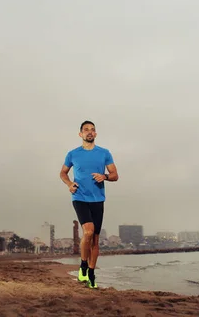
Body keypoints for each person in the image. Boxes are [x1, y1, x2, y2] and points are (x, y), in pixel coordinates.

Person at [60, 120, 118, 289]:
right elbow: (63, 172)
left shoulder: (104, 153)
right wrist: (69, 184)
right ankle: (83, 264)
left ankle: (91, 274)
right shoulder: (73, 154)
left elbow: (115, 174)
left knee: (95, 240)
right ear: (81, 134)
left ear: (96, 134)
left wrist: (105, 176)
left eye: (92, 130)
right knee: (88, 231)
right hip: (79, 197)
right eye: (86, 130)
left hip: (98, 199)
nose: (89, 132)